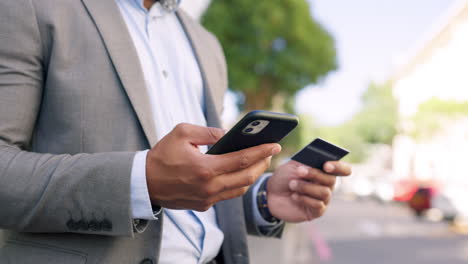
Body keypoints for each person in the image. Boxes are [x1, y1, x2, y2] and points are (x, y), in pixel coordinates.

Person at [0, 0, 351, 263]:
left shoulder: (205, 44)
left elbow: (192, 187)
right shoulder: (29, 8)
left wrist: (261, 198)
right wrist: (141, 182)